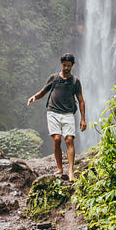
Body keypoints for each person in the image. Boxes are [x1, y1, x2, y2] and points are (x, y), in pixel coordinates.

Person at [27, 53, 86, 181]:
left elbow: (81, 101)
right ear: (61, 64)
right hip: (53, 112)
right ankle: (60, 168)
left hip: (68, 114)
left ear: (72, 66)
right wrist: (34, 97)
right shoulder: (53, 78)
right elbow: (44, 91)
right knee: (57, 139)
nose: (66, 68)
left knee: (69, 140)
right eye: (64, 65)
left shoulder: (75, 82)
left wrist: (83, 119)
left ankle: (71, 171)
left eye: (68, 66)